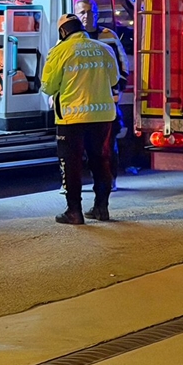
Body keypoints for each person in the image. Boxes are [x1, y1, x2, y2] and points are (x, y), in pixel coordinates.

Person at [43, 14, 120, 224]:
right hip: (103, 115)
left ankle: (74, 212)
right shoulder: (105, 49)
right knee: (101, 161)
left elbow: (48, 86)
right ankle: (101, 208)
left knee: (71, 164)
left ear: (63, 32)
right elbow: (114, 79)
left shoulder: (59, 51)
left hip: (71, 119)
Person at [73, 0, 129, 189]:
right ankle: (79, 183)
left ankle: (109, 181)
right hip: (80, 103)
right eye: (81, 12)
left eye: (90, 12)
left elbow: (123, 68)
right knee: (79, 147)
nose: (86, 17)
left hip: (106, 102)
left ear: (96, 15)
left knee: (106, 146)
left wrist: (115, 91)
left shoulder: (109, 36)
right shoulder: (69, 39)